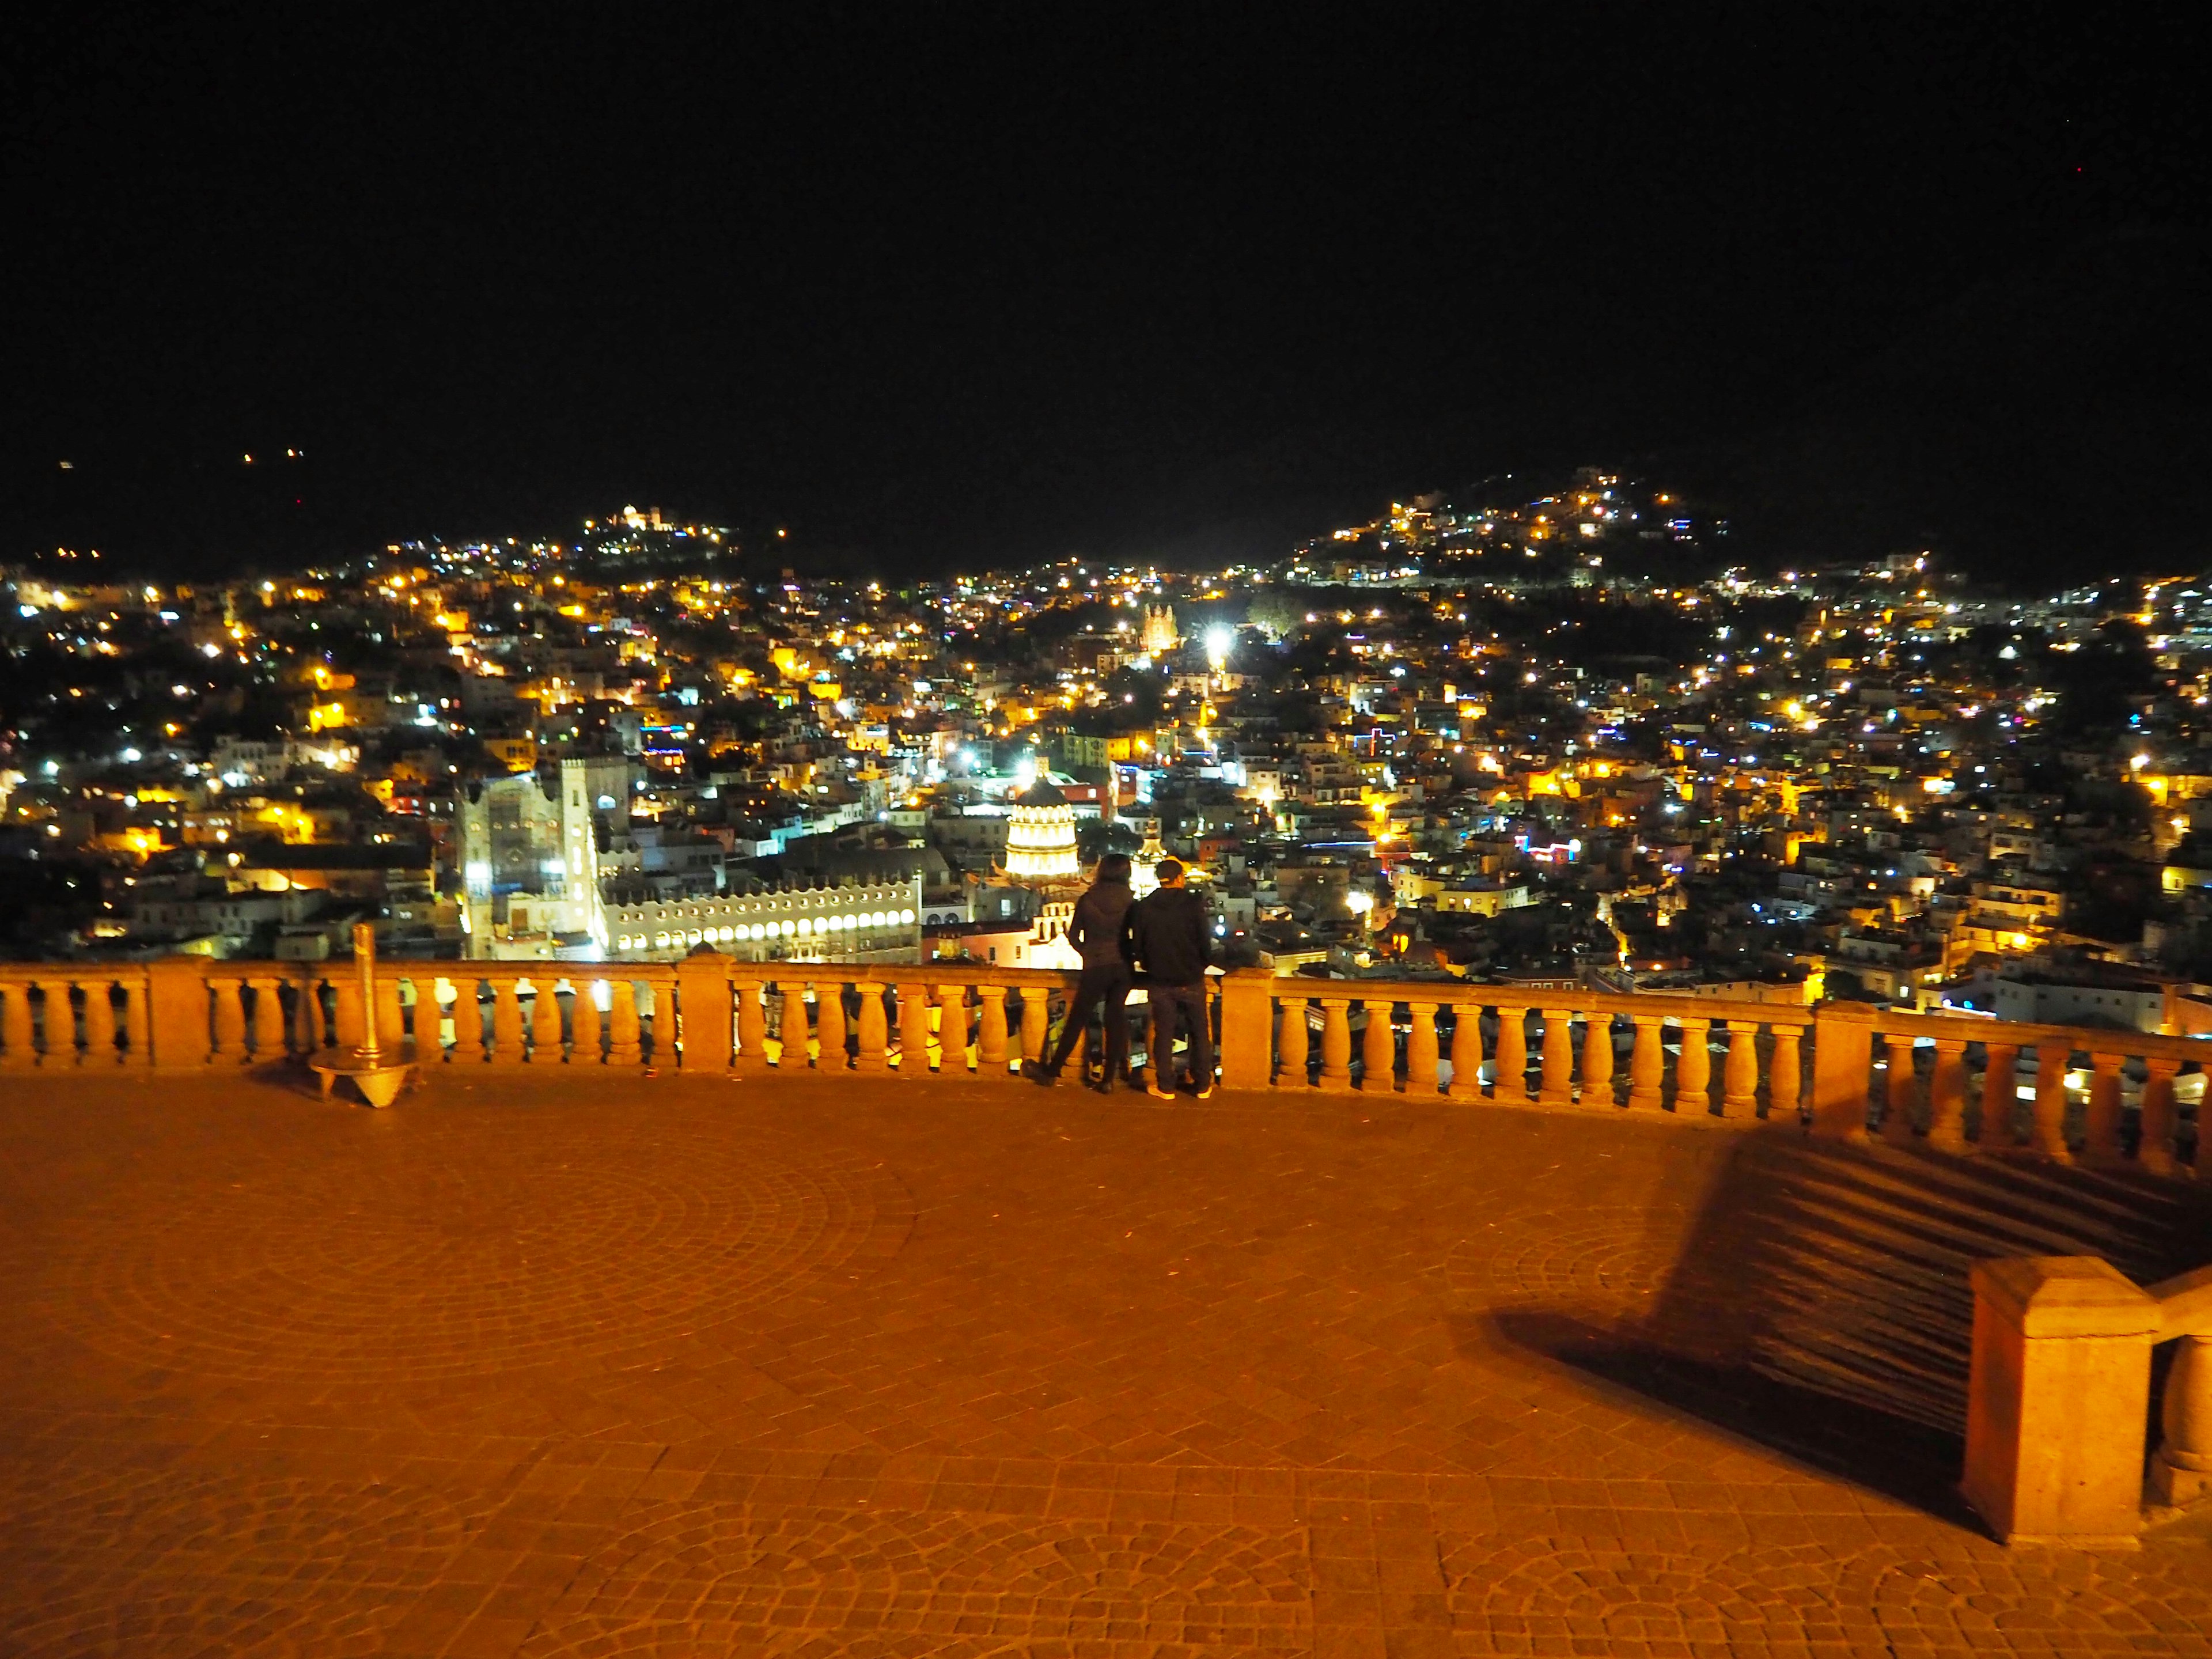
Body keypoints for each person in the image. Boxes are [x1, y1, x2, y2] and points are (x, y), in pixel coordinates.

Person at [1031, 854, 1136, 1090]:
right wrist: (1130, 955)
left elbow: (1073, 935)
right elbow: (1137, 936)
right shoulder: (1132, 901)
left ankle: (1053, 1070)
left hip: (1096, 965)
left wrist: (1087, 953)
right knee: (1115, 1019)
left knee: (1077, 1019)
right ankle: (1109, 1079)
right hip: (1122, 967)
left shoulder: (1088, 900)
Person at [1124, 857, 1214, 1100]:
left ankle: (1166, 1086)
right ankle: (1202, 1084)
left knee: (1163, 1033)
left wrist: (1149, 965)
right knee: (1199, 1032)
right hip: (1191, 977)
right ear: (1179, 879)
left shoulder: (1144, 907)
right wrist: (1201, 964)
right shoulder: (1193, 904)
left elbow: (1138, 945)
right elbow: (1205, 943)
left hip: (1160, 978)